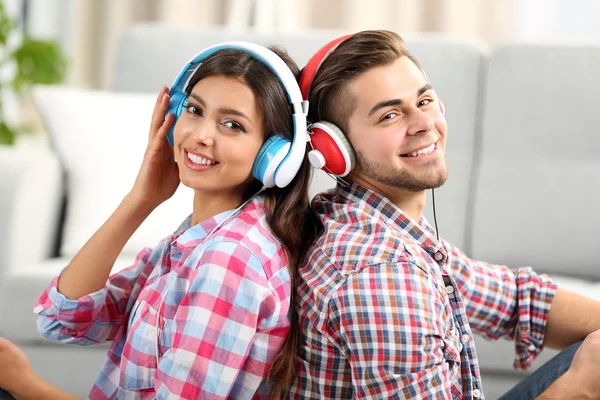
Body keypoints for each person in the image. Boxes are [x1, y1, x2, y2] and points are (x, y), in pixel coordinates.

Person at [289, 30, 600, 399]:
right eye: (390, 115)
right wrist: (580, 389)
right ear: (333, 148)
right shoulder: (381, 276)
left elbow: (516, 299)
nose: (423, 123)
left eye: (423, 100)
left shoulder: (371, 222)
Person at [0, 42, 319, 399]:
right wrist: (141, 200)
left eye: (232, 124)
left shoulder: (230, 260)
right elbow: (64, 318)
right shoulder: (197, 239)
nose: (200, 135)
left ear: (274, 153)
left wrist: (26, 385)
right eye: (195, 110)